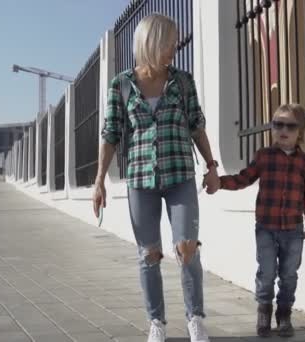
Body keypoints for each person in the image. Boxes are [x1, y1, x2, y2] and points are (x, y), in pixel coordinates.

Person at [93, 14, 220, 342]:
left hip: (180, 176)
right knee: (149, 254)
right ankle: (157, 323)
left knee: (187, 248)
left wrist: (211, 165)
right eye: (169, 44)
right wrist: (98, 181)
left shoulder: (183, 81)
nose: (174, 50)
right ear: (150, 43)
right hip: (140, 180)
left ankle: (195, 319)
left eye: (175, 44)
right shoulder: (121, 85)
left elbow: (196, 125)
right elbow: (110, 135)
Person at [216, 104, 305, 337]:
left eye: (290, 126)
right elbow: (244, 178)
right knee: (267, 272)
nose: (283, 130)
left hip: (293, 229)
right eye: (277, 124)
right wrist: (220, 182)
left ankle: (284, 315)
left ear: (300, 130)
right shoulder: (264, 156)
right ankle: (264, 313)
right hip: (266, 228)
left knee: (289, 274)